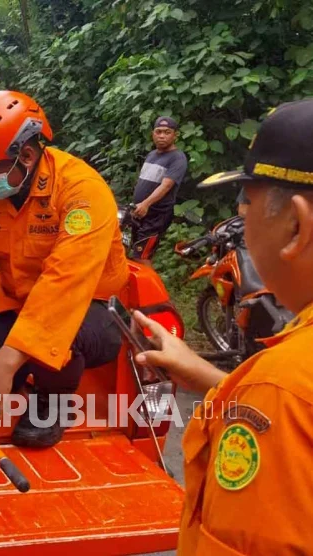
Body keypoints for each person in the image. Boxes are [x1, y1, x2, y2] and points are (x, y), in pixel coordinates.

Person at [133, 99, 313, 554]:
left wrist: (256, 391)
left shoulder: (283, 386)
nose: (240, 217)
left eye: (245, 203)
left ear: (296, 226)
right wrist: (220, 382)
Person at [0, 90, 127, 448]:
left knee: (63, 341)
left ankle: (52, 402)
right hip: (16, 297)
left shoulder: (81, 191)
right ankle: (16, 372)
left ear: (27, 156)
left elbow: (64, 284)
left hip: (86, 304)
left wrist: (3, 365)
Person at [130, 116, 189, 264]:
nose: (162, 135)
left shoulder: (177, 158)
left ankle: (150, 287)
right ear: (153, 134)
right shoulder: (151, 155)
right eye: (159, 131)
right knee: (135, 253)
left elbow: (166, 186)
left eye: (167, 132)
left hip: (156, 215)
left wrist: (146, 203)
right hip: (140, 212)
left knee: (142, 256)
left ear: (175, 135)